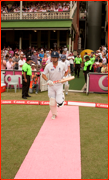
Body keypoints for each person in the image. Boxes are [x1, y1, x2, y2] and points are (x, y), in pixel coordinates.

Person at [42, 51, 68, 120]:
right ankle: (54, 114)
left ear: (57, 58)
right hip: (51, 86)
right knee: (52, 102)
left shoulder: (62, 64)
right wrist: (48, 80)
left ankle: (61, 97)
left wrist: (64, 77)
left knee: (59, 103)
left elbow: (66, 71)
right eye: (53, 57)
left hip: (59, 85)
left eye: (55, 57)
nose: (54, 59)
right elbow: (43, 74)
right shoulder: (48, 65)